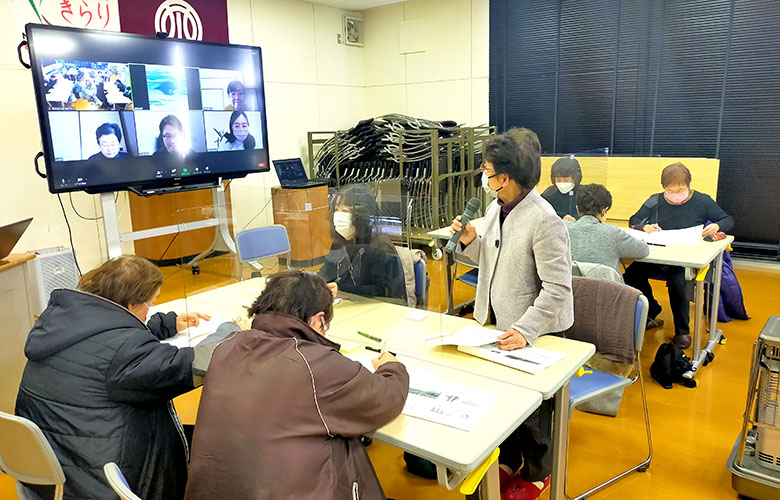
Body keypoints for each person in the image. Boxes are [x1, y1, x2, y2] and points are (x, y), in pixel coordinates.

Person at [184, 269, 409, 500]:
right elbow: (386, 397)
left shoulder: (226, 346)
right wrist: (391, 367)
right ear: (316, 319)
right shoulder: (316, 364)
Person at [15, 256, 213, 500]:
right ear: (130, 305)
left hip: (47, 475)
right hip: (97, 484)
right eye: (150, 304)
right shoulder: (124, 354)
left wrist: (165, 324)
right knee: (213, 440)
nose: (149, 309)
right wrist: (233, 334)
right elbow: (183, 367)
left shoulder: (59, 323)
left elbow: (103, 342)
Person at [450, 129, 573, 500]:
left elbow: (558, 289)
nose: (483, 177)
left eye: (486, 170)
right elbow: (493, 259)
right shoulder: (494, 207)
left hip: (537, 331)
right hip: (499, 326)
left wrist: (525, 330)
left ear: (505, 178)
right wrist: (472, 243)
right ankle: (512, 460)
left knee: (535, 415)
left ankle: (539, 473)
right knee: (504, 404)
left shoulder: (544, 219)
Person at [624, 162, 734, 348]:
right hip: (658, 253)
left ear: (689, 185)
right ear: (664, 188)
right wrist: (645, 227)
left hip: (684, 258)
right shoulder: (655, 200)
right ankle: (652, 309)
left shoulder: (702, 200)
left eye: (681, 189)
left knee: (677, 282)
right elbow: (634, 220)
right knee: (631, 274)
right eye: (671, 190)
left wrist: (717, 226)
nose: (676, 194)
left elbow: (728, 219)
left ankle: (682, 331)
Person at [318, 184, 406, 302]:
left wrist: (342, 289)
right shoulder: (340, 242)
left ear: (362, 215)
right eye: (336, 210)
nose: (338, 216)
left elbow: (384, 292)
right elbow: (325, 275)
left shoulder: (379, 246)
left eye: (345, 210)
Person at [565, 183, 649, 277]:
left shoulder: (564, 229)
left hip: (573, 288)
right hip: (608, 290)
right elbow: (643, 250)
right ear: (604, 211)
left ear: (577, 210)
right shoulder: (613, 232)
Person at [540, 156, 582, 220]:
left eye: (566, 180)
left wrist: (576, 218)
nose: (562, 183)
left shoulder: (584, 194)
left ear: (575, 178)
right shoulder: (548, 195)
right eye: (559, 180)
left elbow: (591, 216)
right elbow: (542, 213)